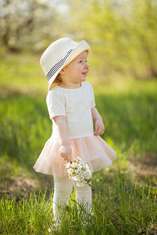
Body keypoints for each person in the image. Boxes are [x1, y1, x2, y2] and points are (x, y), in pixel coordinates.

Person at [33, 38, 117, 222]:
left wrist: (98, 118)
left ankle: (85, 219)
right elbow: (60, 121)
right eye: (80, 62)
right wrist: (65, 145)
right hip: (65, 146)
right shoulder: (56, 94)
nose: (86, 65)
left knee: (84, 185)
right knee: (62, 188)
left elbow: (91, 108)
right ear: (62, 69)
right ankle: (59, 221)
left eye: (86, 61)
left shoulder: (87, 88)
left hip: (85, 143)